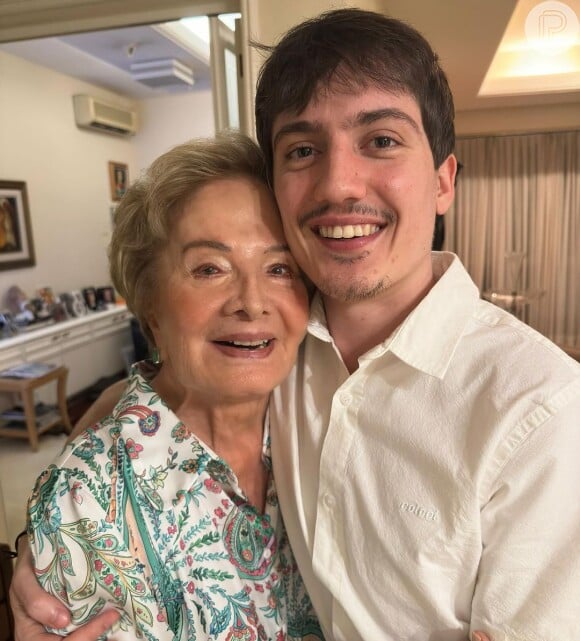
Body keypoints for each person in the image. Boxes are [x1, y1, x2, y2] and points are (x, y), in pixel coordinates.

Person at [12, 7, 580, 641]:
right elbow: (165, 395)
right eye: (304, 150)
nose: (339, 184)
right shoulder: (285, 346)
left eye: (382, 140)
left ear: (444, 179)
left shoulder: (542, 411)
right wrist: (57, 514)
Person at [23, 132, 322, 640]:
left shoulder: (325, 414)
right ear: (150, 304)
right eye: (210, 268)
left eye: (279, 268)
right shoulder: (85, 501)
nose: (252, 302)